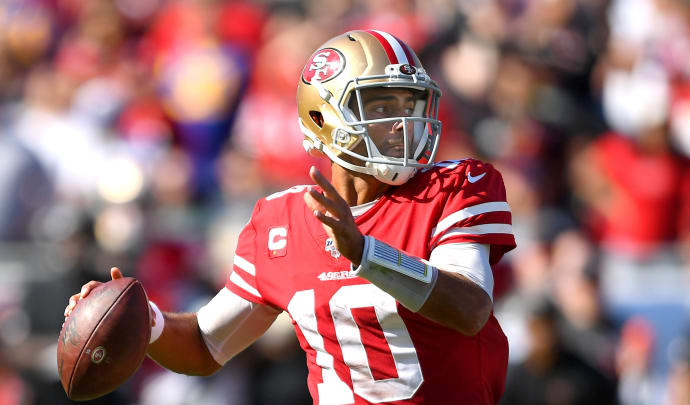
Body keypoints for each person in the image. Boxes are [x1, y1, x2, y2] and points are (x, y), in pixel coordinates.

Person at [64, 30, 516, 404]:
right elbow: (206, 344)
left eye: (409, 105)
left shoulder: (456, 185)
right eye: (381, 107)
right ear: (322, 117)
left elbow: (470, 308)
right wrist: (145, 320)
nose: (401, 124)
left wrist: (366, 254)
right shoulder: (281, 219)